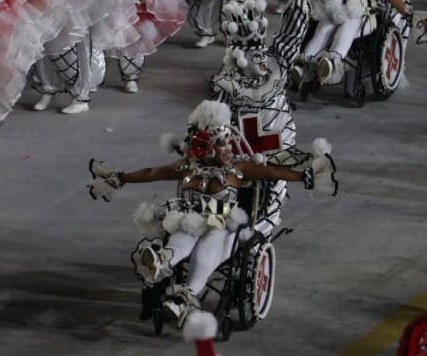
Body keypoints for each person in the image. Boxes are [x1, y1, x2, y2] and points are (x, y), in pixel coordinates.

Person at [86, 100, 333, 324]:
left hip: (222, 222)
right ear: (205, 149)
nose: (228, 148)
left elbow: (271, 172)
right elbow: (152, 173)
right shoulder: (186, 167)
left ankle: (183, 297)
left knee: (204, 255)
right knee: (182, 240)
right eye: (222, 144)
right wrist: (120, 178)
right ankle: (160, 261)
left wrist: (304, 176)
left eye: (228, 142)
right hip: (188, 218)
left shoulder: (237, 169)